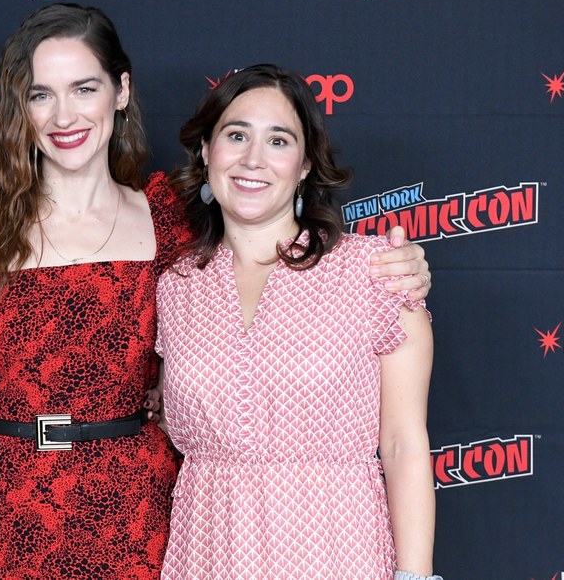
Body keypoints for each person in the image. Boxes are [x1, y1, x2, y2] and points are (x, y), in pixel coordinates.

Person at [0, 7, 431, 578]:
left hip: (137, 512)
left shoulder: (168, 224)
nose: (64, 114)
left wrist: (404, 270)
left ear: (120, 91)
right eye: (41, 94)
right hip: (12, 508)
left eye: (84, 87)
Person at [156, 64, 439, 579]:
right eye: (236, 135)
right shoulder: (176, 284)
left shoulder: (375, 272)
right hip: (210, 550)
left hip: (337, 550)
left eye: (279, 141)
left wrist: (416, 577)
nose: (253, 159)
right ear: (206, 152)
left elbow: (403, 444)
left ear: (306, 165)